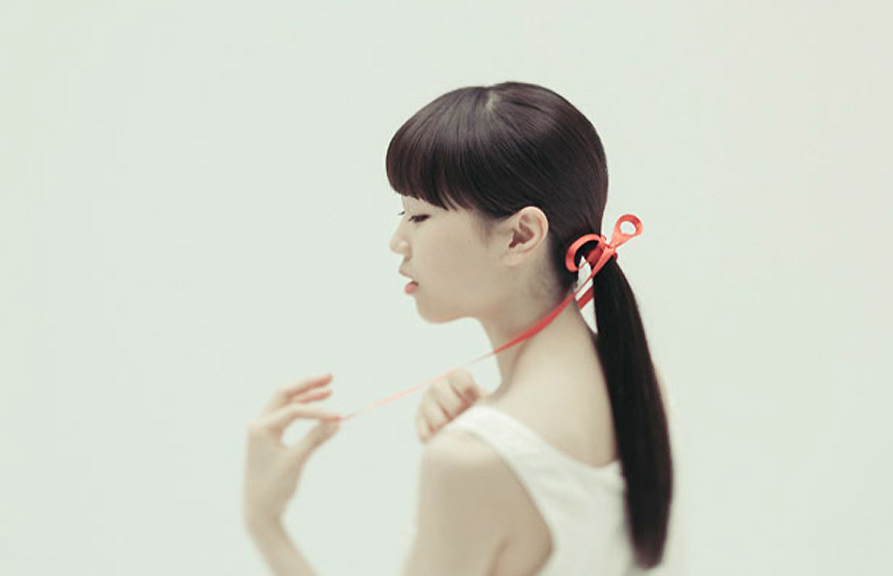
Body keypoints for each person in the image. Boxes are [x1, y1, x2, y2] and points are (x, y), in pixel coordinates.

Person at [242, 81, 674, 575]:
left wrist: (265, 522)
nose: (397, 241)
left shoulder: (470, 461)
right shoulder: (638, 384)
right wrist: (490, 420)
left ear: (520, 236)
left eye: (419, 216)